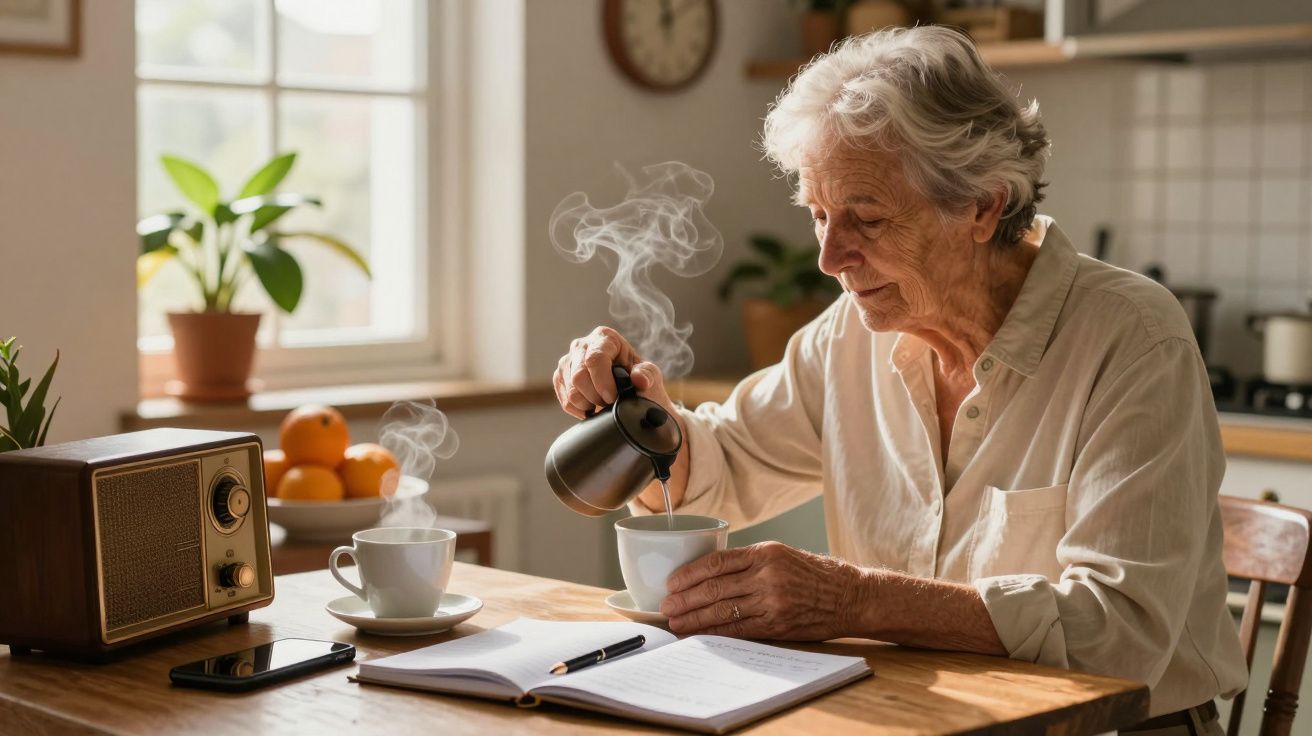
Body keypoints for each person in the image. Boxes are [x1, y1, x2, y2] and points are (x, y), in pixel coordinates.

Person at [552, 26, 1244, 732]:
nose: (827, 256)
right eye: (818, 215)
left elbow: (1120, 633)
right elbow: (725, 465)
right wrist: (642, 415)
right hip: (921, 715)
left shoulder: (1130, 337)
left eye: (867, 218)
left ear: (983, 205)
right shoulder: (851, 332)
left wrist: (857, 601)